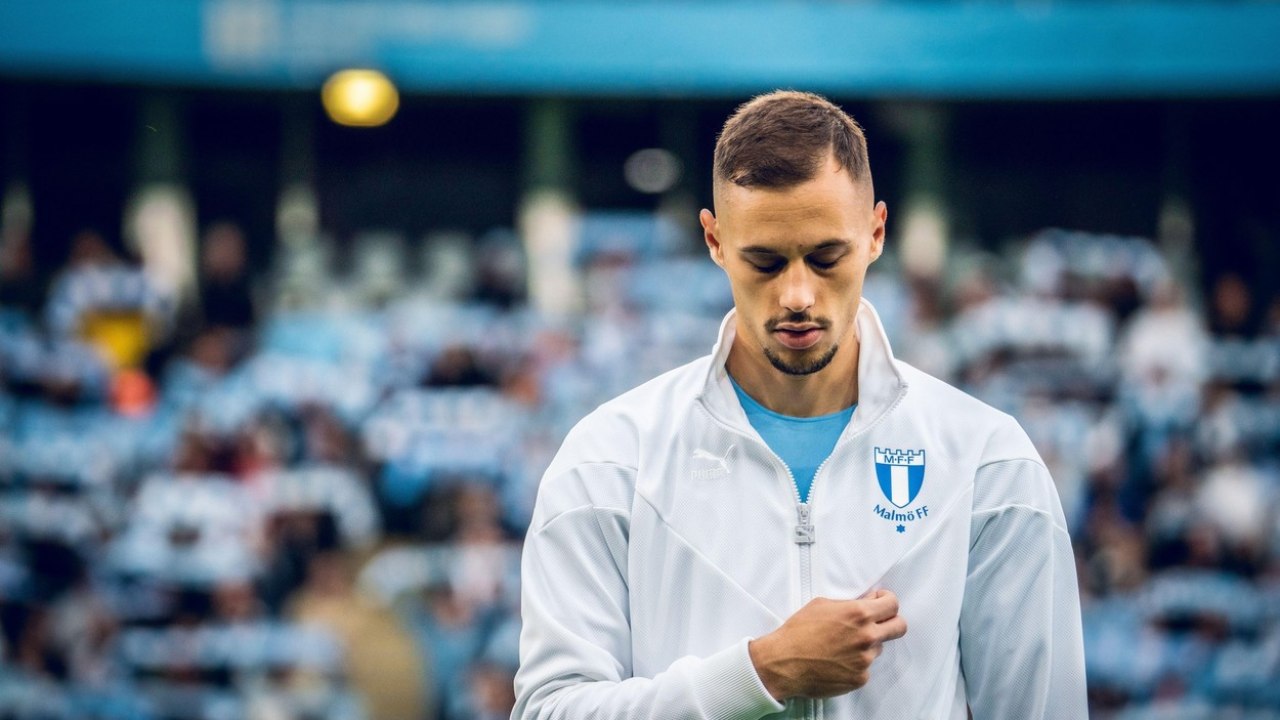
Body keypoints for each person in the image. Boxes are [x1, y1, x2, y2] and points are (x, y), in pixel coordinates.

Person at [513, 91, 1086, 719]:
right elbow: (549, 710)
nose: (797, 294)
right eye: (764, 261)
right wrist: (762, 671)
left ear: (876, 233)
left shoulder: (986, 461)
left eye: (825, 258)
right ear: (714, 240)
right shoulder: (611, 460)